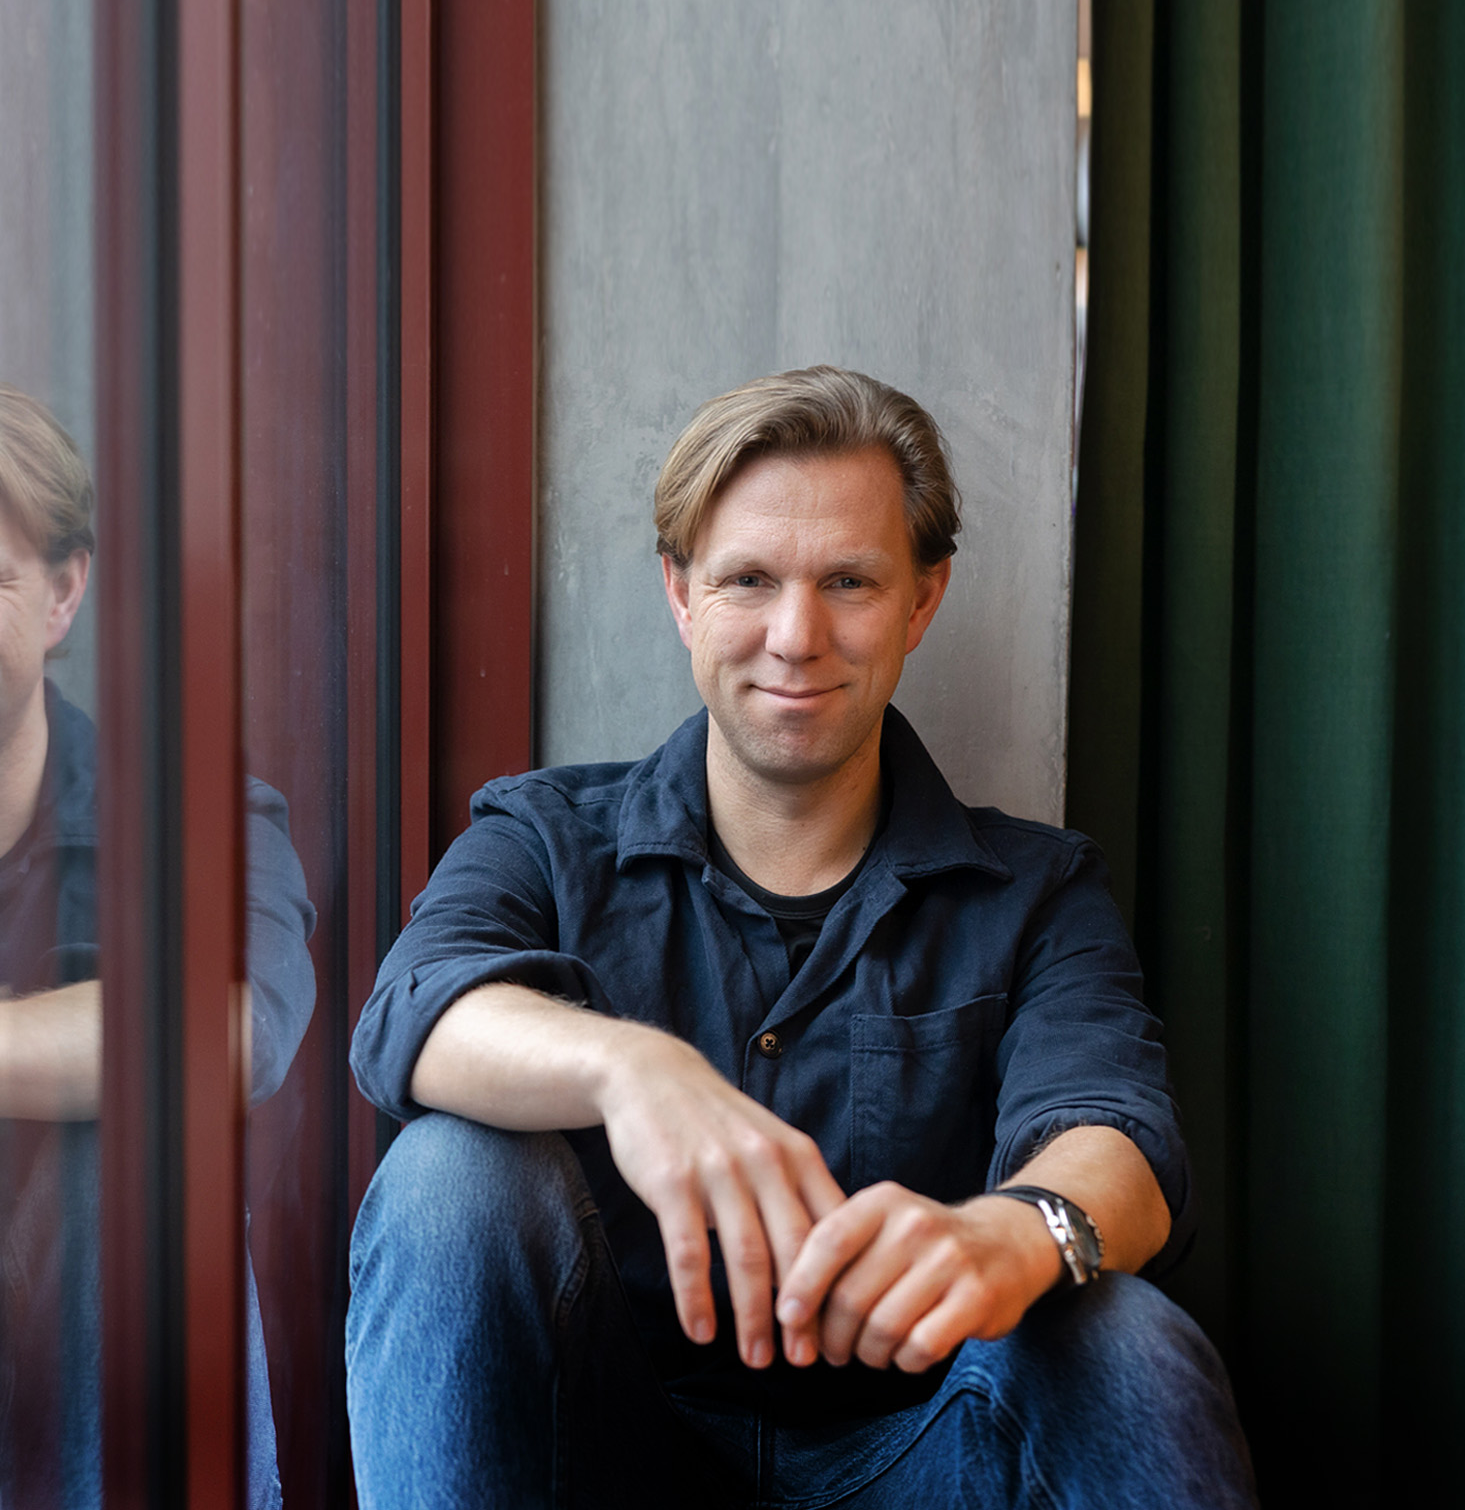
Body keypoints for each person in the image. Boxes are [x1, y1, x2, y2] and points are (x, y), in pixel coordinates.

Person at [347, 366, 1257, 1507]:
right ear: (681, 595)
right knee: (450, 1171)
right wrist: (633, 1071)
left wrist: (1019, 1233)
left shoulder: (1037, 886)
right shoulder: (542, 833)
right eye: (748, 580)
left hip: (917, 1456)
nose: (796, 634)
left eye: (850, 581)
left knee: (1113, 1327)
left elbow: (1117, 1134)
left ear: (922, 601)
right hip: (600, 1455)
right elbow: (415, 1012)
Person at [0, 384, 317, 1509]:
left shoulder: (194, 823)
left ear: (61, 593)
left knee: (123, 1149)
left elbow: (236, 1030)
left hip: (81, 1379)